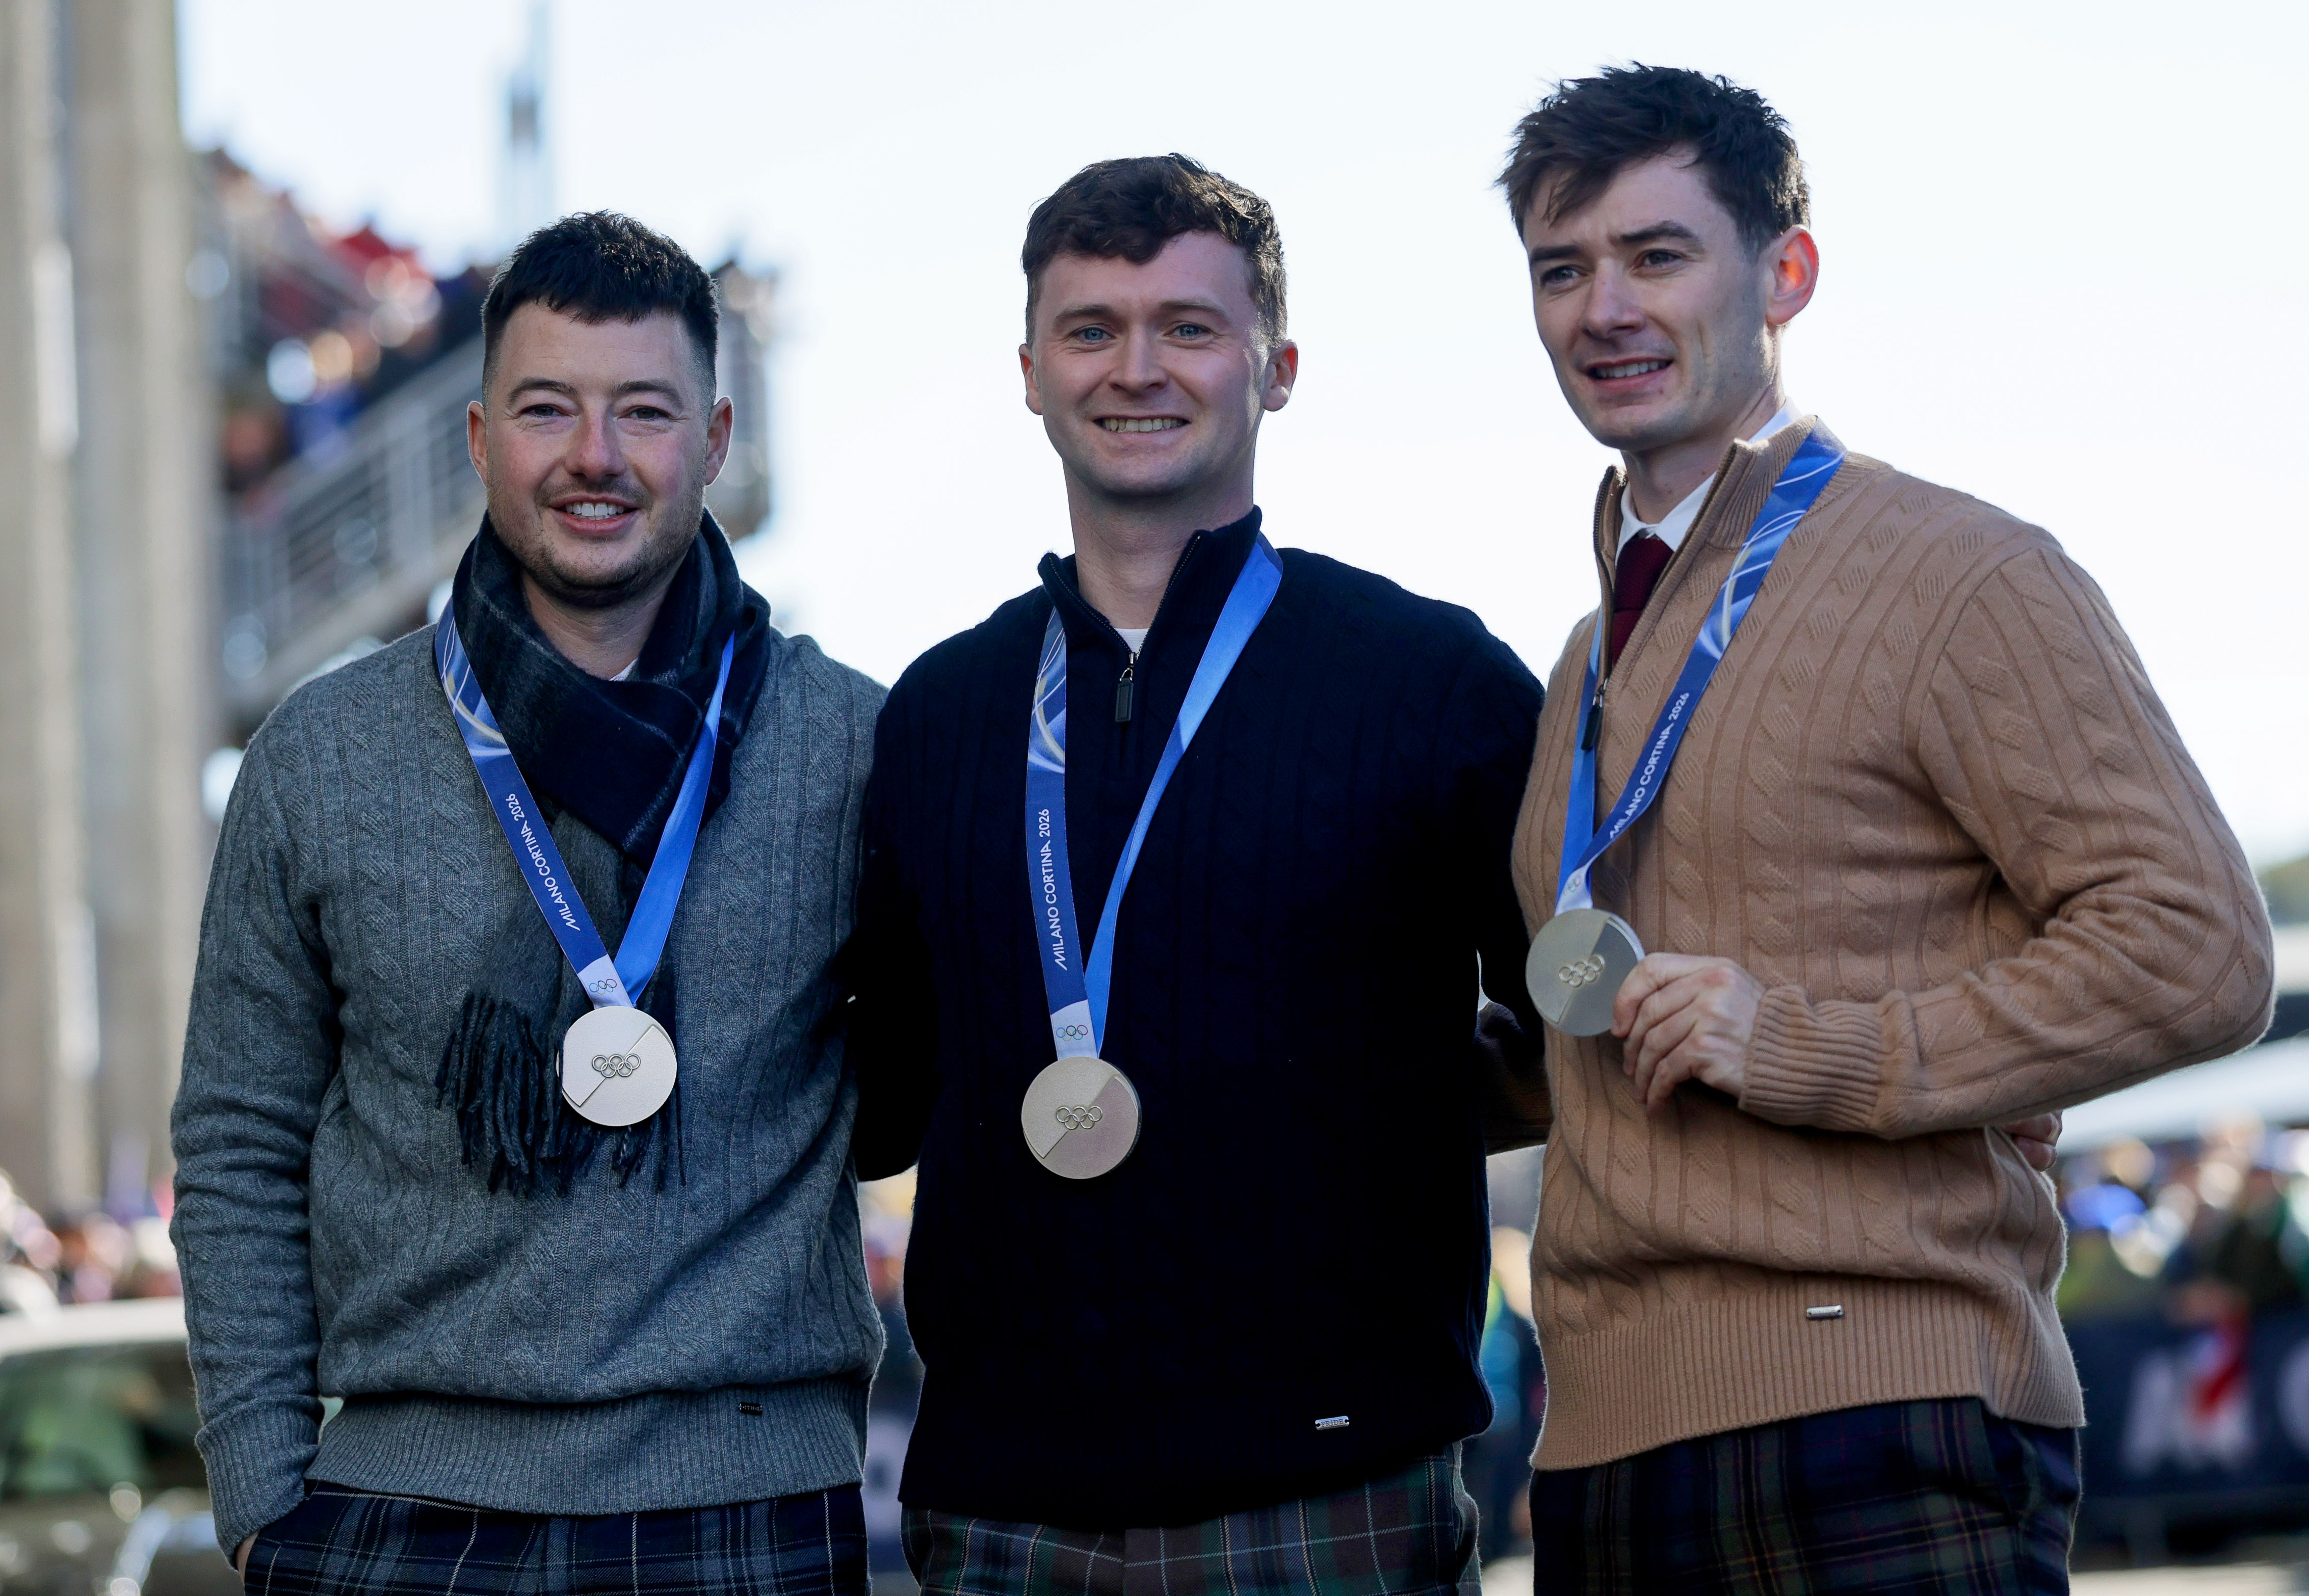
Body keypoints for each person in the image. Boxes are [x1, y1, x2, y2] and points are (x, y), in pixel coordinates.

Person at [1494, 67, 2274, 1592]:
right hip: (1597, 1450)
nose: (1604, 308)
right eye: (1560, 267)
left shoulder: (1960, 574)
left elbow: (2196, 950)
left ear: (1783, 272)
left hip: (1879, 1417)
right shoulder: (1583, 663)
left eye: (1657, 255)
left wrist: (1801, 1043)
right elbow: (1605, 1034)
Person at [846, 154, 1545, 1595]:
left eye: (1187, 325)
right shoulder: (935, 715)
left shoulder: (1433, 682)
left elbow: (1572, 1021)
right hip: (1005, 1507)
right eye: (1092, 328)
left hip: (1335, 1482)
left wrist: (1366, 1107)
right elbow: (881, 1097)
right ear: (1029, 371)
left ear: (1275, 367)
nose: (1136, 367)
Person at [170, 212, 883, 1595]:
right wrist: (262, 1496)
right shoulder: (322, 756)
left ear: (718, 436)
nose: (595, 457)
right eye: (549, 408)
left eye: (644, 411)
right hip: (398, 1509)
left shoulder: (852, 747)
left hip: (750, 1509)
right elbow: (239, 1138)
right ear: (481, 435)